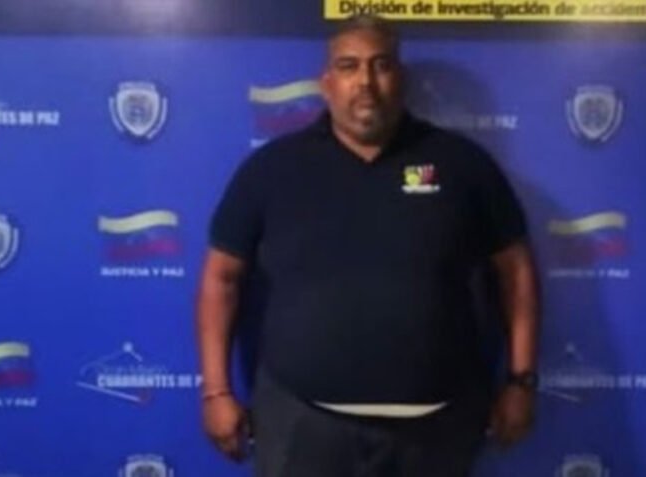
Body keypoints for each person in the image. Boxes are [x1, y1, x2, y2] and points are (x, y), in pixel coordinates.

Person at [195, 13, 540, 477]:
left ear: (401, 78)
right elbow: (220, 278)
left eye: (381, 65)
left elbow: (516, 271)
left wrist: (521, 380)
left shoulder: (462, 164)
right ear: (326, 83)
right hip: (303, 423)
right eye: (349, 66)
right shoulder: (272, 169)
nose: (365, 81)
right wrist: (216, 391)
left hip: (437, 429)